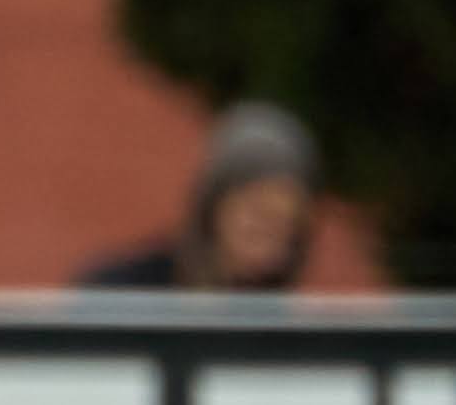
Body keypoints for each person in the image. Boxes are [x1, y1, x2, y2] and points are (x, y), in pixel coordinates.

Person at [81, 101, 319, 293]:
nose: (269, 249)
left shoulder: (282, 332)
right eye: (259, 218)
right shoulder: (123, 293)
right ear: (214, 206)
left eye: (286, 229)